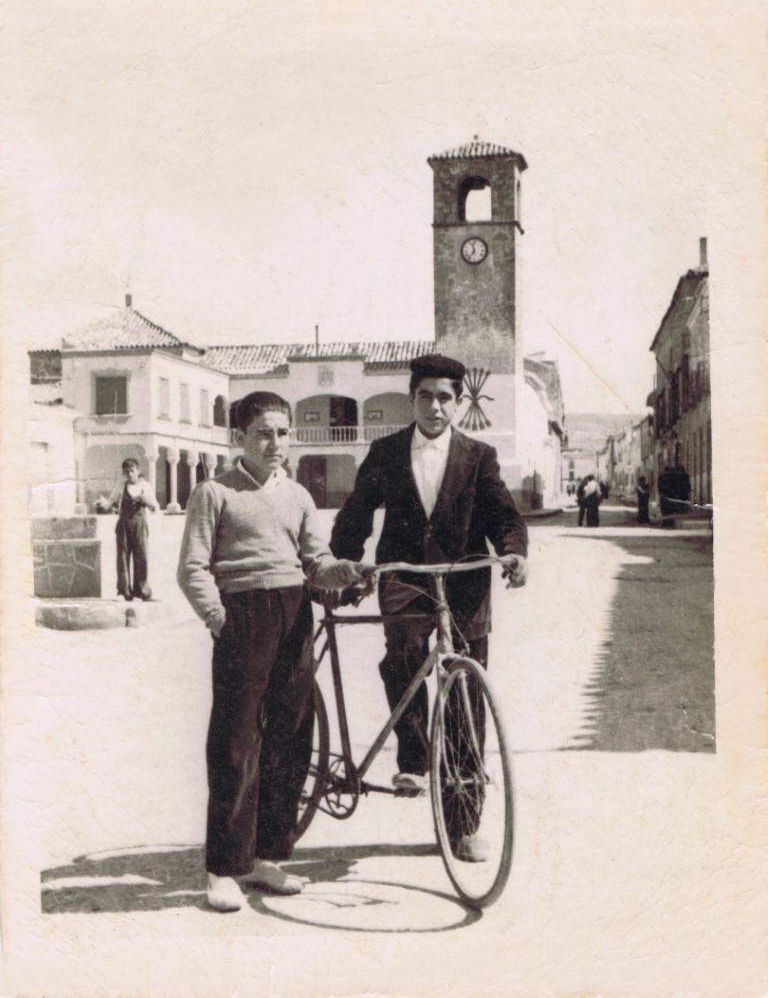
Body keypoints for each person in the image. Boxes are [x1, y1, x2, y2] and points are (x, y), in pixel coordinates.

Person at [329, 354, 528, 862]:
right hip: (405, 577)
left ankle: (465, 826)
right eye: (425, 396)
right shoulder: (386, 452)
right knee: (405, 654)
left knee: (465, 694)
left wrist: (514, 552)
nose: (435, 407)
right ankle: (414, 758)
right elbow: (355, 514)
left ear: (459, 403)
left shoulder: (479, 457)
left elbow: (504, 514)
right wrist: (345, 564)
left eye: (445, 398)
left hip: (464, 585)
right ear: (412, 399)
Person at [177, 391, 369, 913]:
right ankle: (223, 869)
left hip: (294, 615)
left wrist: (343, 571)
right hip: (242, 618)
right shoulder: (213, 493)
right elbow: (192, 568)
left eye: (283, 432)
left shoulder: (299, 495)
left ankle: (266, 857)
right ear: (238, 437)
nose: (275, 443)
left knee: (290, 737)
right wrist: (221, 621)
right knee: (237, 743)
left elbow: (316, 561)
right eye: (264, 432)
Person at [107, 458, 157, 601]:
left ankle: (142, 591)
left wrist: (145, 501)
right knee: (122, 557)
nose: (129, 474)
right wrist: (105, 504)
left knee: (141, 557)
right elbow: (110, 501)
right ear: (123, 472)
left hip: (140, 524)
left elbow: (155, 506)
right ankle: (123, 592)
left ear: (138, 470)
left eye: (132, 471)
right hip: (123, 524)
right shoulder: (121, 485)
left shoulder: (146, 486)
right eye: (126, 471)